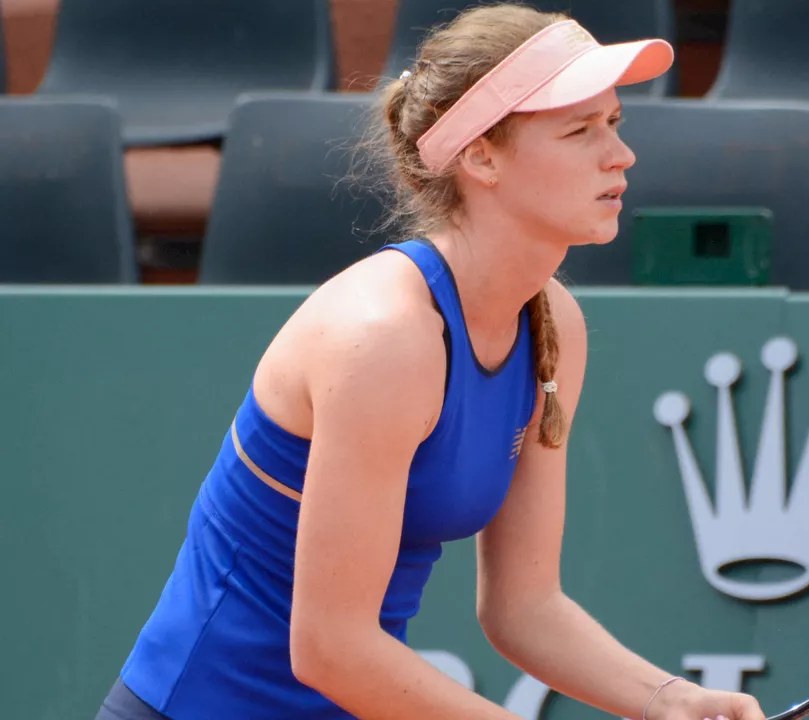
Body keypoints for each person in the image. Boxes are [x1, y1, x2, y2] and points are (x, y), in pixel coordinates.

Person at [95, 4, 768, 720]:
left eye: (615, 123)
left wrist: (675, 702)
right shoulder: (384, 337)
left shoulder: (553, 327)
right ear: (481, 157)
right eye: (580, 131)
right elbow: (328, 647)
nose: (620, 155)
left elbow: (524, 607)